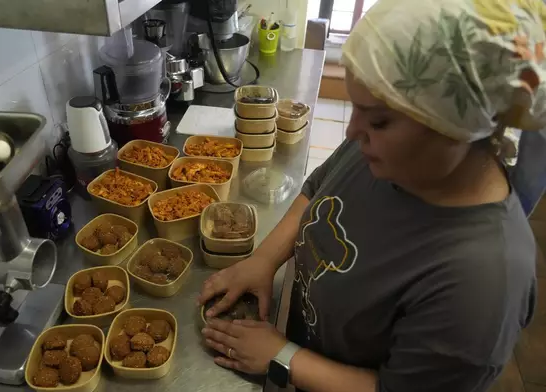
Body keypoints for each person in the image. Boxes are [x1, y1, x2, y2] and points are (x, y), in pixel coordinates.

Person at [198, 0, 544, 390]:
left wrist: (285, 359)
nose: (352, 132)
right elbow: (316, 190)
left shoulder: (483, 284)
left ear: (457, 129)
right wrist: (263, 260)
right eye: (356, 110)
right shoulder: (396, 154)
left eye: (378, 120)